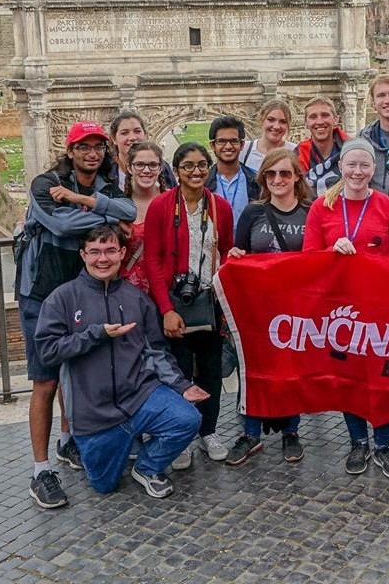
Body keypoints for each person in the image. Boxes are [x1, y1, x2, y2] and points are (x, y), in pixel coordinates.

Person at [34, 225, 209, 499]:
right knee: (104, 485)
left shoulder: (136, 298)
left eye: (110, 251)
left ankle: (148, 466)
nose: (102, 259)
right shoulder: (62, 298)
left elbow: (157, 350)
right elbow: (47, 351)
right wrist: (96, 334)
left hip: (140, 398)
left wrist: (180, 385)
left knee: (187, 418)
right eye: (95, 251)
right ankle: (121, 445)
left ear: (122, 253)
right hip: (94, 415)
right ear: (83, 255)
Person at [18, 121, 136, 509]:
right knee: (46, 382)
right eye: (83, 147)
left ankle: (69, 443)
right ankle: (40, 471)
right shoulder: (42, 184)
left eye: (98, 147)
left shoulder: (105, 185)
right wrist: (106, 219)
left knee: (76, 372)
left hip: (79, 293)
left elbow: (130, 210)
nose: (92, 153)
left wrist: (85, 201)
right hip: (40, 293)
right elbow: (60, 224)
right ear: (69, 151)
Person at [303, 137, 389, 479]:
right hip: (341, 310)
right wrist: (331, 250)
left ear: (374, 170)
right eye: (351, 165)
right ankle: (358, 442)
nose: (357, 171)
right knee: (349, 378)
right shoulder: (323, 206)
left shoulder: (388, 208)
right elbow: (308, 259)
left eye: (364, 166)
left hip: (380, 308)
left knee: (384, 377)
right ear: (340, 167)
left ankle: (384, 444)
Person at [143, 142, 234, 464]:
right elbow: (152, 260)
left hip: (209, 302)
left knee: (210, 372)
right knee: (177, 372)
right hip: (174, 303)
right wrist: (166, 309)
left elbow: (227, 251)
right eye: (188, 166)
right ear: (177, 170)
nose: (196, 171)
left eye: (201, 165)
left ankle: (207, 430)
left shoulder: (220, 207)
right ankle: (180, 434)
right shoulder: (161, 207)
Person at [224, 148, 313, 466]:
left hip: (296, 307)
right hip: (258, 307)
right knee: (255, 369)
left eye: (285, 173)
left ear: (297, 177)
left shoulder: (310, 211)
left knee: (291, 369)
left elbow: (317, 260)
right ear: (263, 178)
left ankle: (291, 430)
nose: (278, 180)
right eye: (271, 174)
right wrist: (235, 257)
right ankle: (250, 433)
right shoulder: (252, 212)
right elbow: (241, 252)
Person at [121, 141, 168, 294]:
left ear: (160, 168)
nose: (146, 170)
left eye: (153, 165)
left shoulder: (173, 202)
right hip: (127, 291)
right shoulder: (118, 204)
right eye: (140, 164)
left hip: (166, 289)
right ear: (129, 167)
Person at [205, 115, 261, 232]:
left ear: (242, 145)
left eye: (233, 141)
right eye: (222, 141)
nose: (228, 146)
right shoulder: (202, 183)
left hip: (247, 248)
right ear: (212, 145)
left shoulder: (257, 180)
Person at [108, 110, 176, 190]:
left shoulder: (163, 167)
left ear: (146, 135)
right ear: (113, 139)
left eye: (137, 131)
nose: (132, 137)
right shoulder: (106, 170)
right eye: (124, 133)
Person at [298, 96, 349, 196]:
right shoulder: (298, 154)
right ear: (306, 123)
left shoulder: (351, 149)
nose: (320, 122)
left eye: (325, 115)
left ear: (335, 119)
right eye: (313, 117)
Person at [238, 99, 297, 172]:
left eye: (283, 121)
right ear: (261, 119)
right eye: (271, 120)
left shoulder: (296, 151)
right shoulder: (244, 150)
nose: (276, 126)